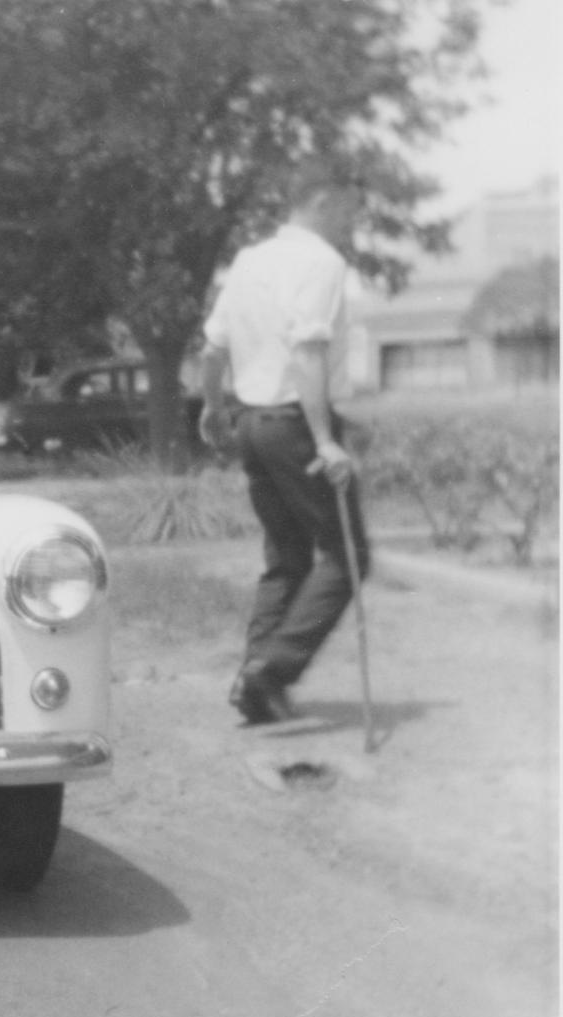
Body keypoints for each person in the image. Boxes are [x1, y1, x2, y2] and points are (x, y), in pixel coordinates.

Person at [198, 161, 370, 725]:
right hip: (296, 423)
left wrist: (214, 405)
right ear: (320, 200)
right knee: (348, 556)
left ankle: (255, 684)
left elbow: (213, 347)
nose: (353, 222)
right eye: (348, 209)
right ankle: (271, 669)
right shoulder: (320, 261)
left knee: (287, 557)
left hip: (252, 423)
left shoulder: (250, 260)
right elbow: (309, 352)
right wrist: (325, 439)